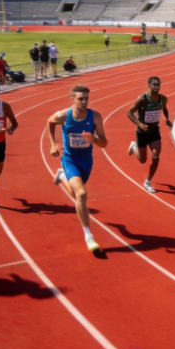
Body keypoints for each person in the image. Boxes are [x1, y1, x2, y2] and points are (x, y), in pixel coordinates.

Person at [48, 84, 108, 253]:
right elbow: (49, 122)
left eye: (86, 98)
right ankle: (89, 236)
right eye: (80, 98)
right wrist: (53, 144)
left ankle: (61, 177)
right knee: (81, 194)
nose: (84, 102)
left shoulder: (95, 117)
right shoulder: (63, 116)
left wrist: (93, 138)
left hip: (86, 161)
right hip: (70, 160)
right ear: (72, 99)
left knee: (77, 195)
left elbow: (104, 143)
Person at [125, 76, 172, 194]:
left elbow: (164, 108)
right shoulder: (143, 99)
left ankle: (148, 182)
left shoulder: (163, 99)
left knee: (156, 158)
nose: (157, 87)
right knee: (142, 160)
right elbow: (129, 112)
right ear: (149, 85)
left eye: (158, 85)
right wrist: (140, 124)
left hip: (154, 132)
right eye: (154, 85)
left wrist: (167, 118)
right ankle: (133, 147)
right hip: (142, 133)